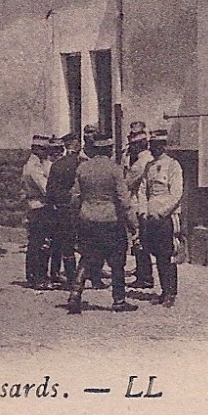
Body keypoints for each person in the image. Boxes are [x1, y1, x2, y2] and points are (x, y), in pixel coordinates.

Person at [67, 135, 138, 314]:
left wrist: (75, 218)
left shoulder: (83, 168)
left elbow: (75, 197)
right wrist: (133, 224)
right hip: (110, 220)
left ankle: (75, 294)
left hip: (87, 218)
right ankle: (119, 300)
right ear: (109, 149)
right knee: (116, 260)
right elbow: (124, 200)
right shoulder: (115, 170)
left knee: (86, 256)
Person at [139, 129, 184, 307]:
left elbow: (176, 193)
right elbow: (143, 191)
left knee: (168, 255)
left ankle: (171, 293)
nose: (153, 149)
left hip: (166, 217)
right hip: (150, 216)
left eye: (157, 145)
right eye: (152, 145)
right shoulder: (149, 167)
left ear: (164, 146)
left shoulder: (173, 165)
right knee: (157, 254)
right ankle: (163, 290)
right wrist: (143, 211)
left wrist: (162, 212)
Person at [45, 131, 83, 286]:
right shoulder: (82, 164)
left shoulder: (57, 165)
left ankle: (56, 274)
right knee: (73, 244)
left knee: (59, 242)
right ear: (76, 146)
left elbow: (50, 190)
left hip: (60, 208)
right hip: (77, 208)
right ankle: (75, 279)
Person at [123, 122, 155, 289]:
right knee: (141, 239)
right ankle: (143, 272)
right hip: (145, 203)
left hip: (136, 203)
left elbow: (126, 183)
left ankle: (145, 276)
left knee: (138, 239)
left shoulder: (140, 164)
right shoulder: (149, 159)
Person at [21, 134, 54, 287]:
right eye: (45, 149)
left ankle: (37, 275)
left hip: (39, 206)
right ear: (37, 149)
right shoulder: (33, 167)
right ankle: (36, 277)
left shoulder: (40, 163)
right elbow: (46, 188)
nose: (48, 152)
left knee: (39, 242)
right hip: (38, 206)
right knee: (38, 243)